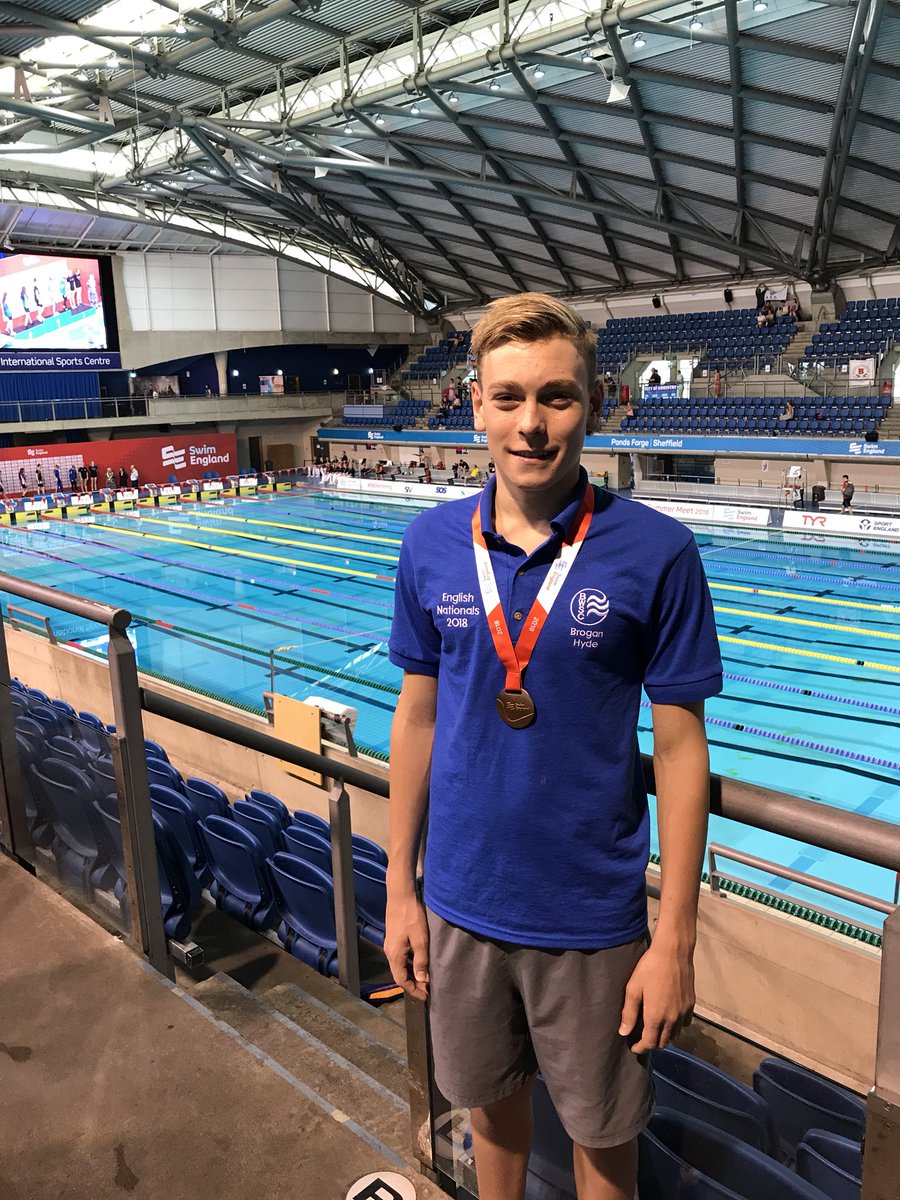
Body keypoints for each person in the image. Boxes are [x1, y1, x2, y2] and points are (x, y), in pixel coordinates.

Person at [386, 292, 722, 1200]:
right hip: (459, 902)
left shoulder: (657, 554)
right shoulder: (428, 546)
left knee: (603, 1137)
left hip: (591, 919)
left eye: (557, 397)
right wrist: (399, 889)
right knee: (488, 1110)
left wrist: (676, 936)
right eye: (508, 397)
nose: (531, 424)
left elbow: (683, 750)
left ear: (597, 404)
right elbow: (415, 718)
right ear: (474, 405)